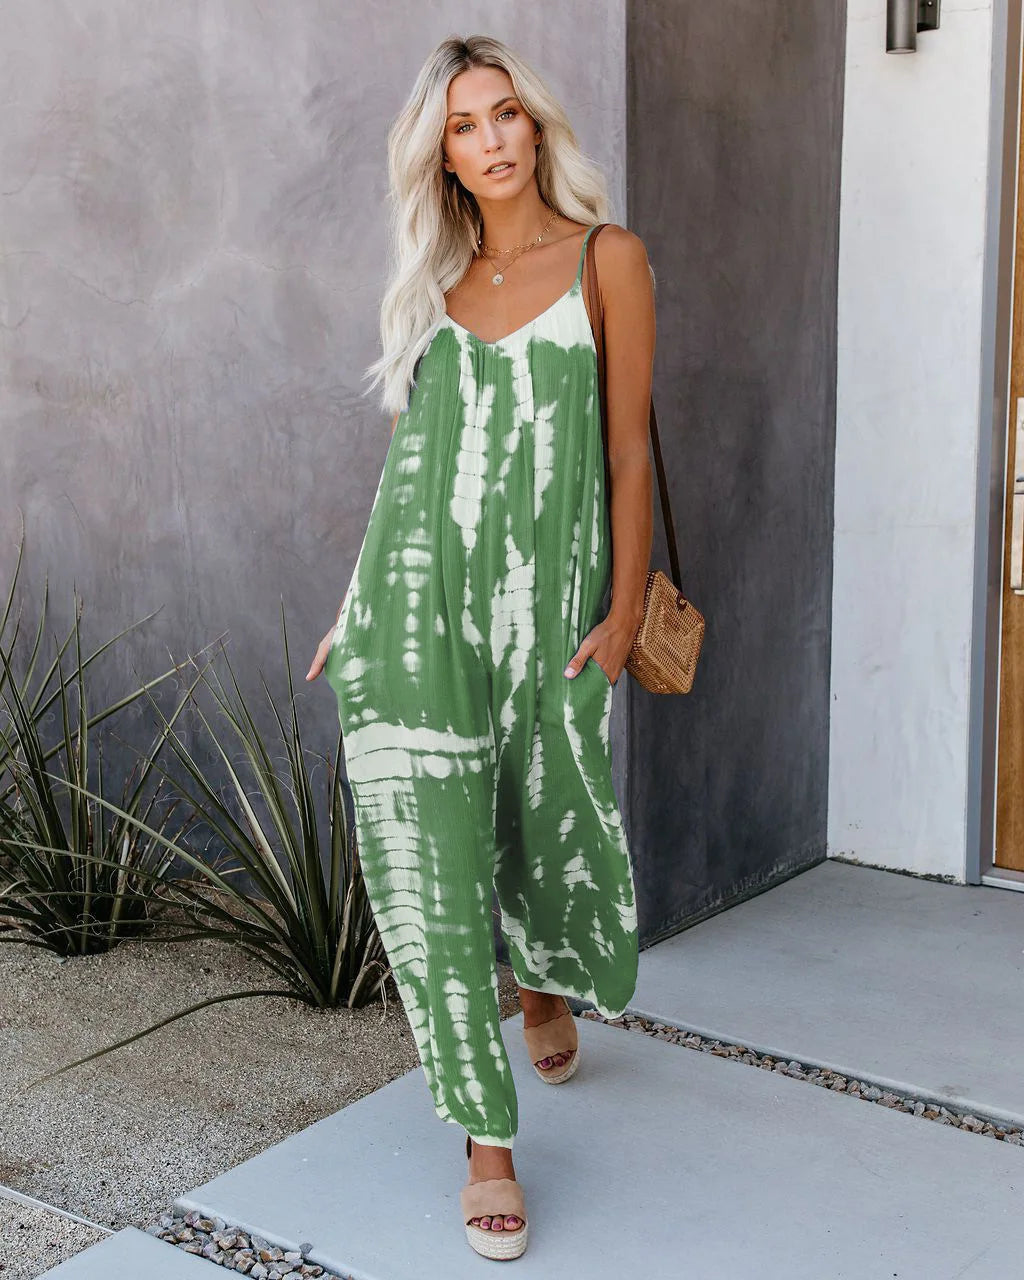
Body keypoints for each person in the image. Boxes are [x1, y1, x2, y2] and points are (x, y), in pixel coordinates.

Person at [305, 33, 655, 1261]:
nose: (492, 139)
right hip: (425, 609)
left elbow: (627, 451)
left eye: (505, 113)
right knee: (430, 857)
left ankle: (543, 977)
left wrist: (623, 609)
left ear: (536, 125)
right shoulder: (433, 287)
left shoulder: (607, 259)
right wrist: (360, 604)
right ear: (441, 155)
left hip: (552, 610)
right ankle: (485, 1139)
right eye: (464, 125)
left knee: (541, 811)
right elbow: (410, 468)